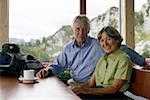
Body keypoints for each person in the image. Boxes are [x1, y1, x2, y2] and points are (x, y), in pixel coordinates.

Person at [36, 15, 146, 83]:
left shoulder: (97, 44)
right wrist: (47, 70)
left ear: (88, 30)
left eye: (84, 29)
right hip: (74, 83)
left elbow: (122, 49)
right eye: (77, 29)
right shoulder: (68, 48)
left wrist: (142, 62)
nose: (81, 33)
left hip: (93, 86)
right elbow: (58, 65)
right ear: (73, 30)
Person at [72, 26, 133, 99]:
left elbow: (114, 88)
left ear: (117, 40)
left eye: (109, 39)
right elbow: (90, 83)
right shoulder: (102, 59)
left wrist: (86, 91)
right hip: (100, 93)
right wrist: (76, 88)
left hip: (114, 96)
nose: (105, 43)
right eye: (102, 40)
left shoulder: (123, 59)